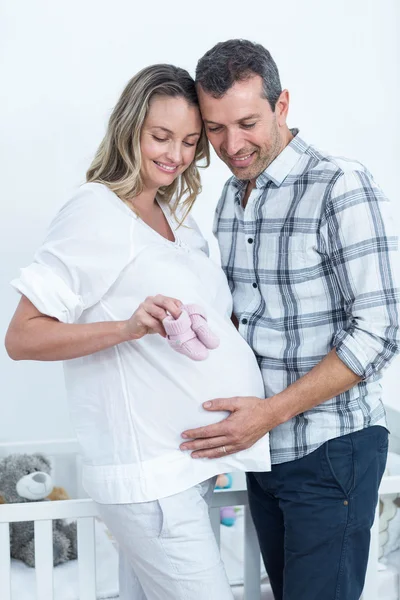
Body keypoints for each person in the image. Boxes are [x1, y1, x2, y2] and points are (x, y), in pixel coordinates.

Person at [5, 64, 271, 600]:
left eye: (190, 141)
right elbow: (22, 337)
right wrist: (129, 328)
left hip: (187, 471)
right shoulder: (95, 210)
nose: (175, 154)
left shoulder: (177, 216)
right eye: (161, 136)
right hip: (147, 478)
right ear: (130, 129)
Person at [179, 40, 400, 600]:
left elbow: (380, 331)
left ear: (282, 106)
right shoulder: (230, 197)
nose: (232, 145)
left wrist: (267, 415)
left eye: (247, 122)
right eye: (214, 128)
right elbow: (244, 318)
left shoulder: (339, 185)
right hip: (264, 451)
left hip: (332, 448)